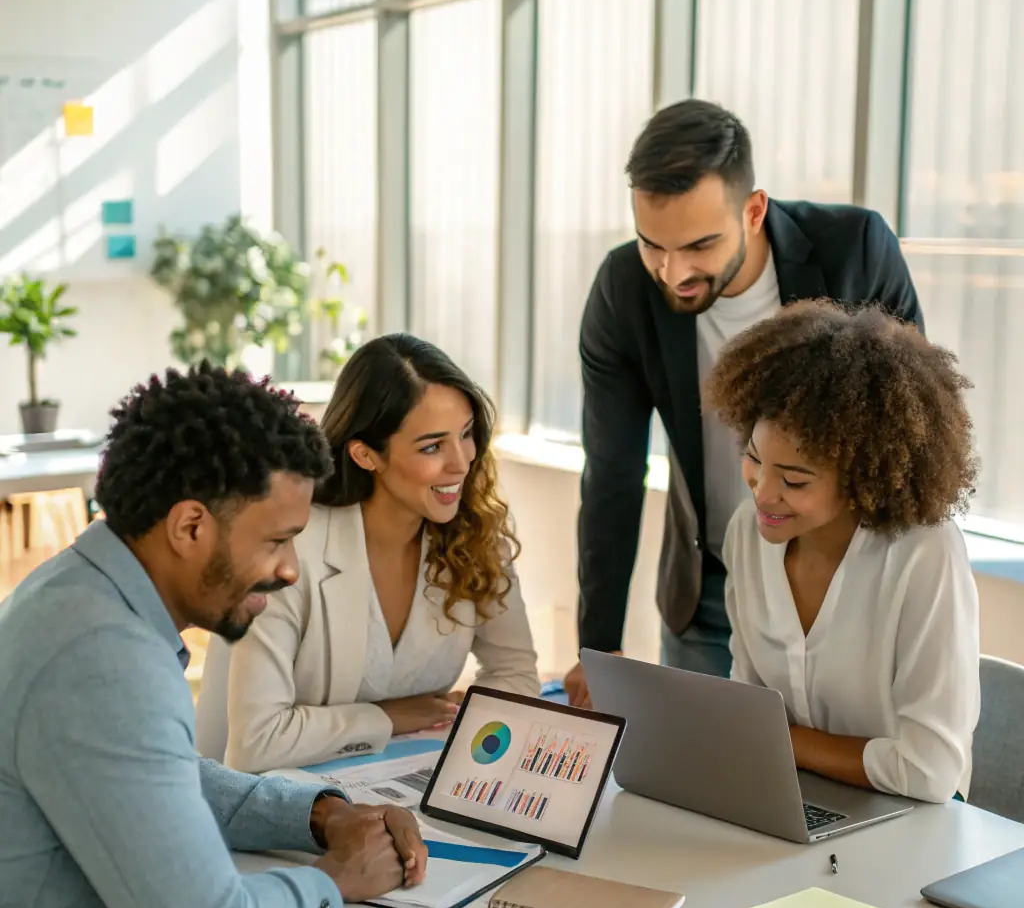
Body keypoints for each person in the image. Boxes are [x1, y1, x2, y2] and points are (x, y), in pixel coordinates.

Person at [0, 365, 426, 908]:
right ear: (191, 524)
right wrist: (335, 880)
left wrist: (319, 812)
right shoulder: (101, 655)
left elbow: (167, 773)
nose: (292, 570)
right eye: (277, 540)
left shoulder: (79, 596)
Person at [564, 99, 923, 707]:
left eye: (699, 245)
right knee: (698, 761)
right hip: (709, 591)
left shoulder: (854, 250)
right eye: (653, 245)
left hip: (849, 580)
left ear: (753, 211)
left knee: (846, 763)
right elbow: (612, 475)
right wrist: (597, 647)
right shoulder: (624, 288)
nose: (673, 272)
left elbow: (911, 427)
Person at [197, 334, 540, 773]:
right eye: (432, 446)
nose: (461, 462)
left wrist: (473, 738)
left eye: (466, 434)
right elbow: (256, 743)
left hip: (398, 783)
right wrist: (386, 719)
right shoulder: (287, 549)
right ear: (365, 455)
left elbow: (516, 674)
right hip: (262, 796)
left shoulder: (476, 534)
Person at [705, 301, 979, 804]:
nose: (762, 493)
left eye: (794, 480)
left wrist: (785, 742)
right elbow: (749, 706)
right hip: (790, 798)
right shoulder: (748, 531)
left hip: (908, 819)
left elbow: (930, 772)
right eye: (754, 459)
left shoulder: (924, 555)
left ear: (862, 480)